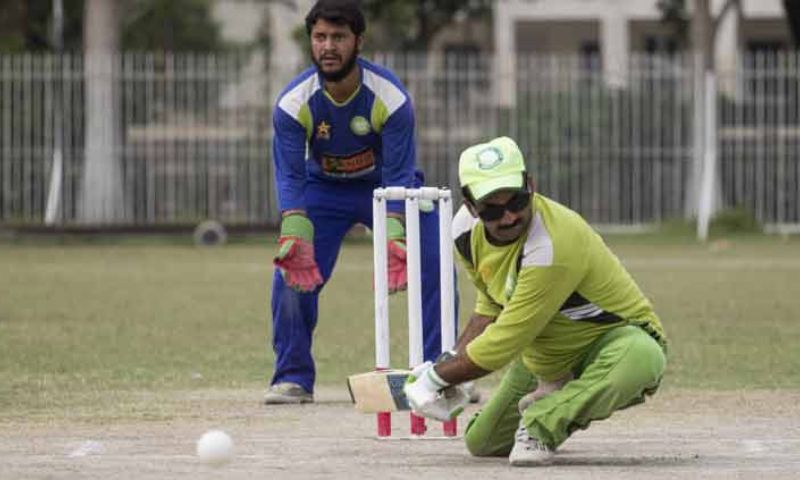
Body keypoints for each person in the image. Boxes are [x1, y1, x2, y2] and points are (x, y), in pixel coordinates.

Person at [403, 136, 667, 466]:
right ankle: (553, 397)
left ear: (531, 185)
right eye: (492, 209)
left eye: (516, 200)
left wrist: (436, 378)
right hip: (542, 354)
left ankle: (543, 422)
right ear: (471, 207)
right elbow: (490, 305)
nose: (509, 216)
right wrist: (455, 363)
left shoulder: (552, 244)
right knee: (482, 442)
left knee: (643, 358)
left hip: (612, 341)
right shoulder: (463, 233)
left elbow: (507, 339)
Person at [264, 0, 453, 404]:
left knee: (434, 262)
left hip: (388, 189)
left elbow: (401, 170)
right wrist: (294, 223)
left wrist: (396, 228)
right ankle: (293, 376)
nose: (328, 46)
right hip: (322, 190)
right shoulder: (293, 103)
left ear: (358, 42)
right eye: (320, 37)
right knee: (291, 271)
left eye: (338, 37)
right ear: (310, 42)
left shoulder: (391, 97)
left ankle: (441, 373)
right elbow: (290, 174)